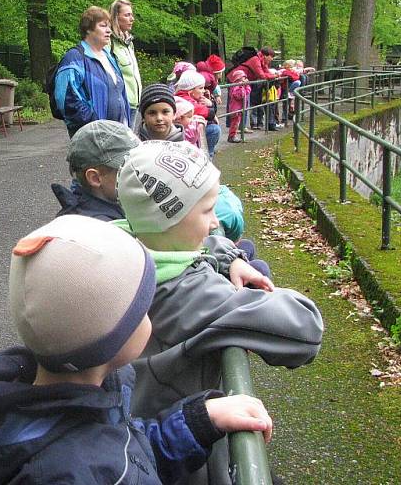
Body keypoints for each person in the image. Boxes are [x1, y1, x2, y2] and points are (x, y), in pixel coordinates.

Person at [0, 215, 273, 485]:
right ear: (112, 341)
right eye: (142, 308)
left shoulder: (50, 402)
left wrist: (197, 422)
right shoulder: (66, 473)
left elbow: (127, 455)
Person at [114, 140, 324, 485]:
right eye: (207, 211)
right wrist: (252, 281)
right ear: (172, 218)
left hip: (140, 427)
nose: (215, 224)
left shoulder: (120, 243)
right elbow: (305, 329)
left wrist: (229, 259)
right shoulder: (190, 294)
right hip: (182, 458)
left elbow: (189, 245)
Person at [54, 6, 131, 136]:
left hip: (118, 134)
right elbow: (66, 101)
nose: (109, 31)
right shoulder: (74, 58)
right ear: (88, 29)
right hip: (93, 138)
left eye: (109, 26)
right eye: (103, 26)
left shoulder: (109, 57)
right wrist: (94, 126)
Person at [51, 119, 139, 221]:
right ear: (95, 178)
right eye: (130, 171)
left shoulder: (116, 205)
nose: (140, 176)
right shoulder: (100, 230)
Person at [228, 46, 278, 130]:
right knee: (236, 104)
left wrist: (273, 75)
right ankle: (234, 127)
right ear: (266, 55)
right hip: (236, 79)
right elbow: (261, 75)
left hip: (244, 82)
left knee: (245, 103)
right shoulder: (255, 60)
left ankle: (241, 127)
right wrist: (274, 75)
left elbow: (266, 72)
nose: (272, 59)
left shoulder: (263, 62)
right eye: (271, 57)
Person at [110, 0, 143, 123]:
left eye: (131, 15)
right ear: (116, 17)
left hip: (134, 102)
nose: (132, 18)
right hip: (121, 104)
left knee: (130, 140)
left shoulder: (128, 43)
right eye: (127, 15)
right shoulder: (109, 43)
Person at [174, 71, 221, 158]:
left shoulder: (184, 98)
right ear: (190, 91)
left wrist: (208, 102)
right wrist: (210, 106)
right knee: (214, 129)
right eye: (201, 88)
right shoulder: (186, 102)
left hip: (189, 137)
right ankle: (209, 157)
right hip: (188, 138)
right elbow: (208, 113)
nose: (203, 91)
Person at [226, 68, 250, 143]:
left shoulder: (241, 86)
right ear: (238, 78)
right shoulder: (236, 87)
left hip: (240, 108)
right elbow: (240, 95)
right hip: (235, 108)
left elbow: (247, 92)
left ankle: (233, 135)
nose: (245, 79)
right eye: (244, 77)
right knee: (235, 123)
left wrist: (246, 86)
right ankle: (232, 136)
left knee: (237, 122)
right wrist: (242, 87)